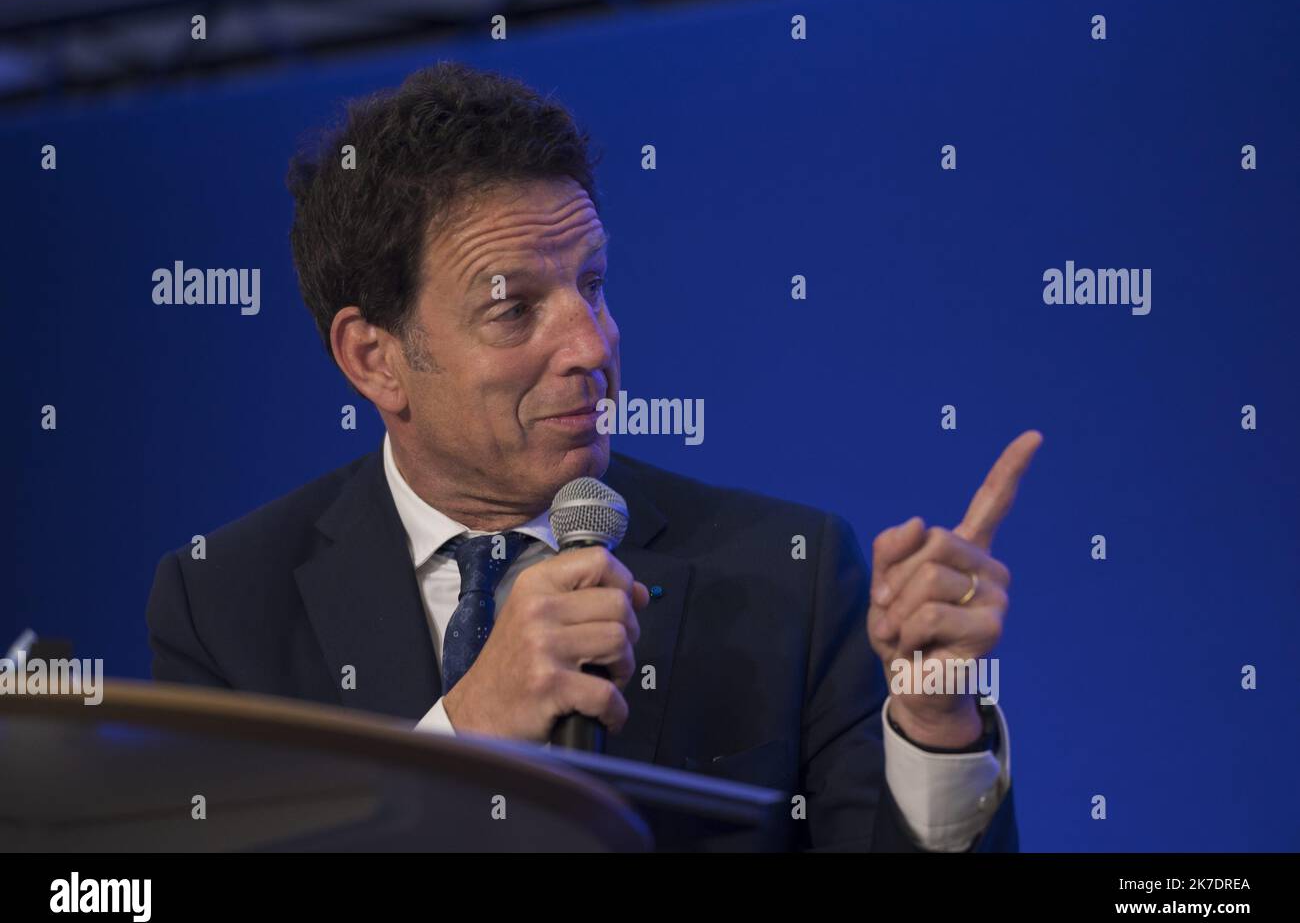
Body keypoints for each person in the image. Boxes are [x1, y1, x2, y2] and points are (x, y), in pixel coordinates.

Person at [147, 61, 1041, 851]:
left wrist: (934, 726)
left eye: (593, 283)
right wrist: (469, 734)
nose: (592, 345)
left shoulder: (789, 576)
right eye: (514, 307)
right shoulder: (227, 607)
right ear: (375, 358)